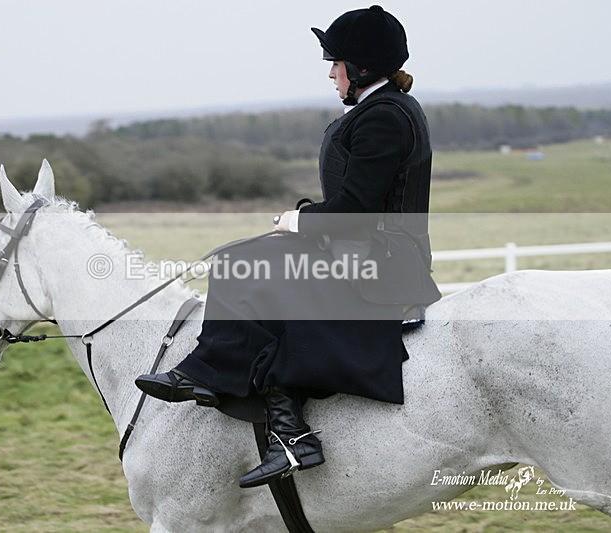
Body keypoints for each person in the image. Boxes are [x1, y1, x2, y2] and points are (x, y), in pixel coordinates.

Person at [136, 5, 440, 488]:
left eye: (335, 64)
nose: (331, 73)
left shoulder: (384, 116)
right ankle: (285, 429)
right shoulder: (384, 110)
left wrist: (298, 221)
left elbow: (359, 211)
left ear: (360, 68)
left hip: (382, 260)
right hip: (367, 249)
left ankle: (224, 384)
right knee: (247, 260)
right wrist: (302, 221)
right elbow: (357, 200)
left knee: (239, 264)